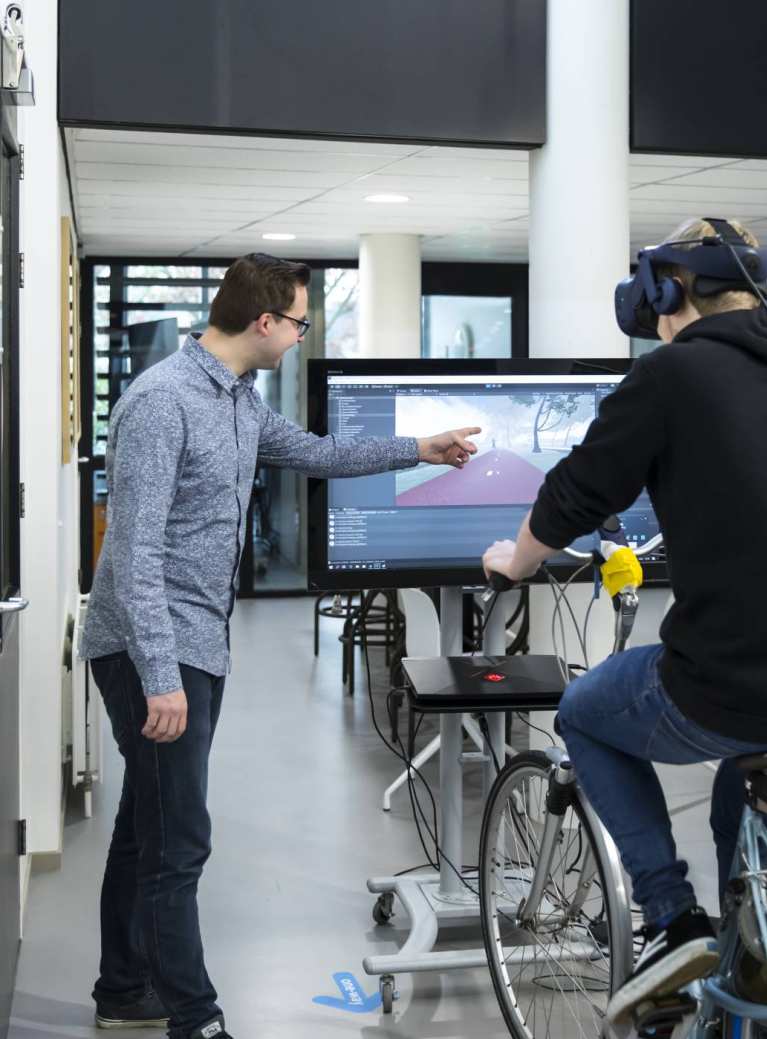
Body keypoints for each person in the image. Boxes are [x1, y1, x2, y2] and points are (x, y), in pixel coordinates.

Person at [482, 218, 767, 1024]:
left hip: (732, 687)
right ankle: (761, 958)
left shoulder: (671, 375)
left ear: (668, 292)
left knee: (585, 712)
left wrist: (519, 560)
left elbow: (577, 491)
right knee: (737, 791)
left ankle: (673, 920)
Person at [80, 253, 480, 1039]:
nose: (302, 335)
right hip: (147, 647)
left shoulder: (238, 397)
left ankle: (123, 987)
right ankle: (196, 1018)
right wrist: (161, 678)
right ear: (264, 322)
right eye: (299, 321)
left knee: (146, 823)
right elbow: (134, 554)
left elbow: (318, 454)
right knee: (180, 839)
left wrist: (419, 449)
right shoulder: (162, 403)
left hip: (198, 642)